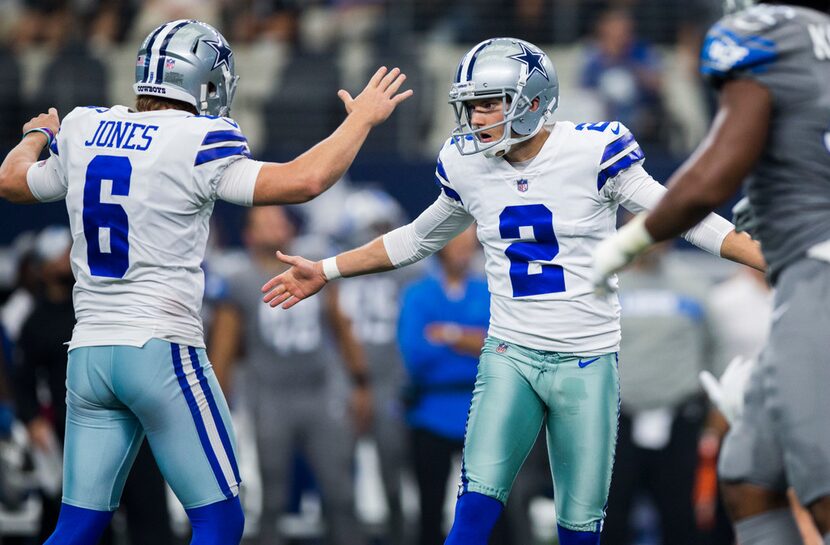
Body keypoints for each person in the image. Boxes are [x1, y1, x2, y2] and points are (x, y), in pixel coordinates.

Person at [260, 37, 764, 544]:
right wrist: (326, 270)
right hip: (511, 353)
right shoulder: (467, 163)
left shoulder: (592, 151)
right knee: (472, 511)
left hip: (586, 359)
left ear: (533, 101)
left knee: (580, 526)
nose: (476, 119)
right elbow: (415, 238)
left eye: (488, 103)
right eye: (470, 105)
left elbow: (684, 216)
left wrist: (768, 256)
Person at [0, 18, 411, 545]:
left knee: (78, 525)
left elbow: (12, 181)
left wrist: (38, 132)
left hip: (88, 353)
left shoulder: (82, 128)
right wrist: (362, 121)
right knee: (219, 521)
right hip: (160, 348)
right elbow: (305, 180)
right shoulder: (200, 138)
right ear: (205, 82)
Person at [592, 1, 830, 544]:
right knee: (747, 474)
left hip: (818, 273)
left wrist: (628, 241)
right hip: (807, 272)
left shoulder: (769, 32)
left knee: (821, 493)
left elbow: (711, 177)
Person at [209, 206, 371, 545]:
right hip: (271, 397)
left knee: (340, 493)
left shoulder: (312, 266)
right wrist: (216, 408)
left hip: (320, 392)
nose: (275, 224)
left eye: (279, 219)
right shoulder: (240, 280)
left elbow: (341, 327)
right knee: (274, 498)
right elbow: (222, 352)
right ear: (249, 235)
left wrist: (360, 382)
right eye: (265, 221)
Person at [601, 242, 715, 545]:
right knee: (610, 519)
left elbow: (713, 348)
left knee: (680, 519)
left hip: (679, 417)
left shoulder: (693, 284)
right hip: (617, 420)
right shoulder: (606, 283)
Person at [397, 226, 490, 545]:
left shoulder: (488, 290)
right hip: (430, 413)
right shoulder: (418, 294)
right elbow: (415, 353)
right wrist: (471, 340)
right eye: (456, 244)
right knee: (429, 509)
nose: (463, 252)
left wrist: (448, 334)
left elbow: (498, 347)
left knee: (488, 507)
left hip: (480, 413)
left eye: (469, 245)